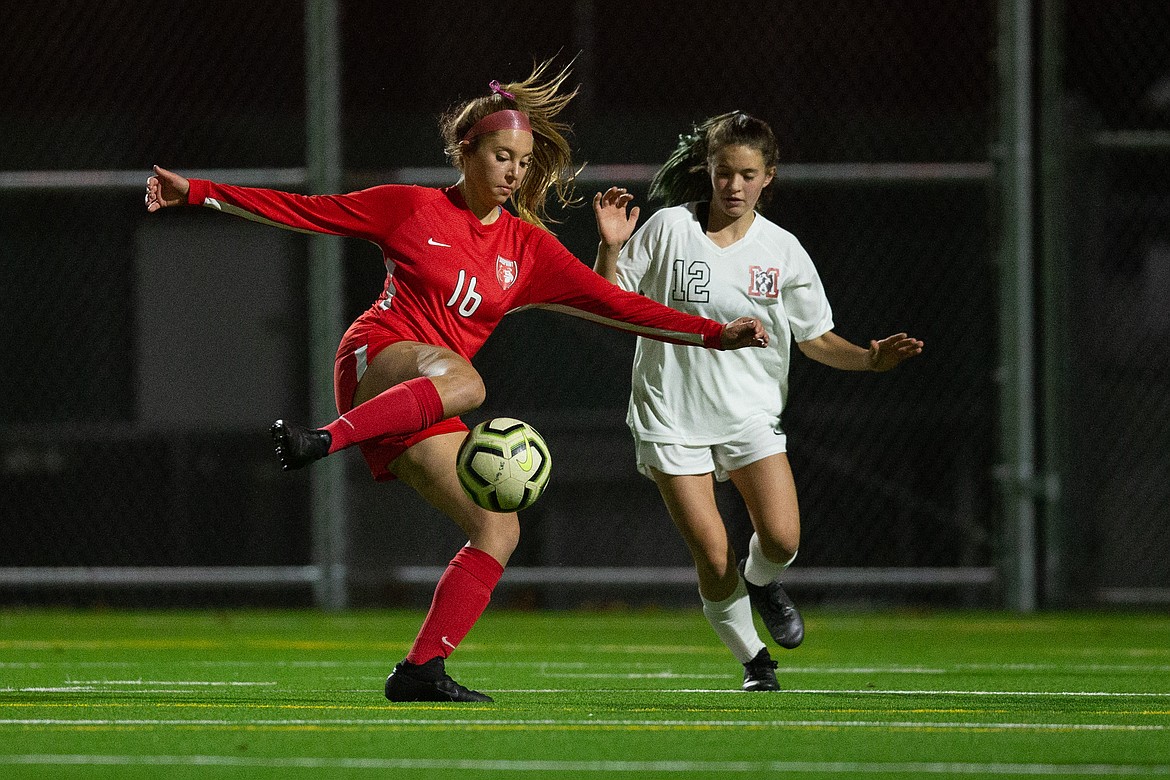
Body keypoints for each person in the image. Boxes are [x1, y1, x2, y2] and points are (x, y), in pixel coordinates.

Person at [144, 63, 769, 704]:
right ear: (465, 151)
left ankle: (420, 671)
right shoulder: (411, 207)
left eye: (524, 163)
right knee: (467, 379)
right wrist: (194, 191)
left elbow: (619, 306)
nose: (514, 173)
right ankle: (321, 442)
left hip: (425, 396)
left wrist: (716, 332)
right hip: (376, 358)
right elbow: (306, 211)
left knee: (499, 526)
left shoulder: (527, 249)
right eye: (503, 156)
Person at [593, 111, 923, 692]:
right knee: (713, 555)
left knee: (781, 539)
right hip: (669, 414)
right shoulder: (670, 227)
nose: (734, 186)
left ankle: (765, 581)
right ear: (709, 170)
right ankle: (754, 661)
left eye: (747, 174)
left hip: (749, 414)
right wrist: (612, 249)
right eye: (724, 173)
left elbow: (816, 339)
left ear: (768, 176)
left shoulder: (784, 250)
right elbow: (608, 304)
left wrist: (870, 359)